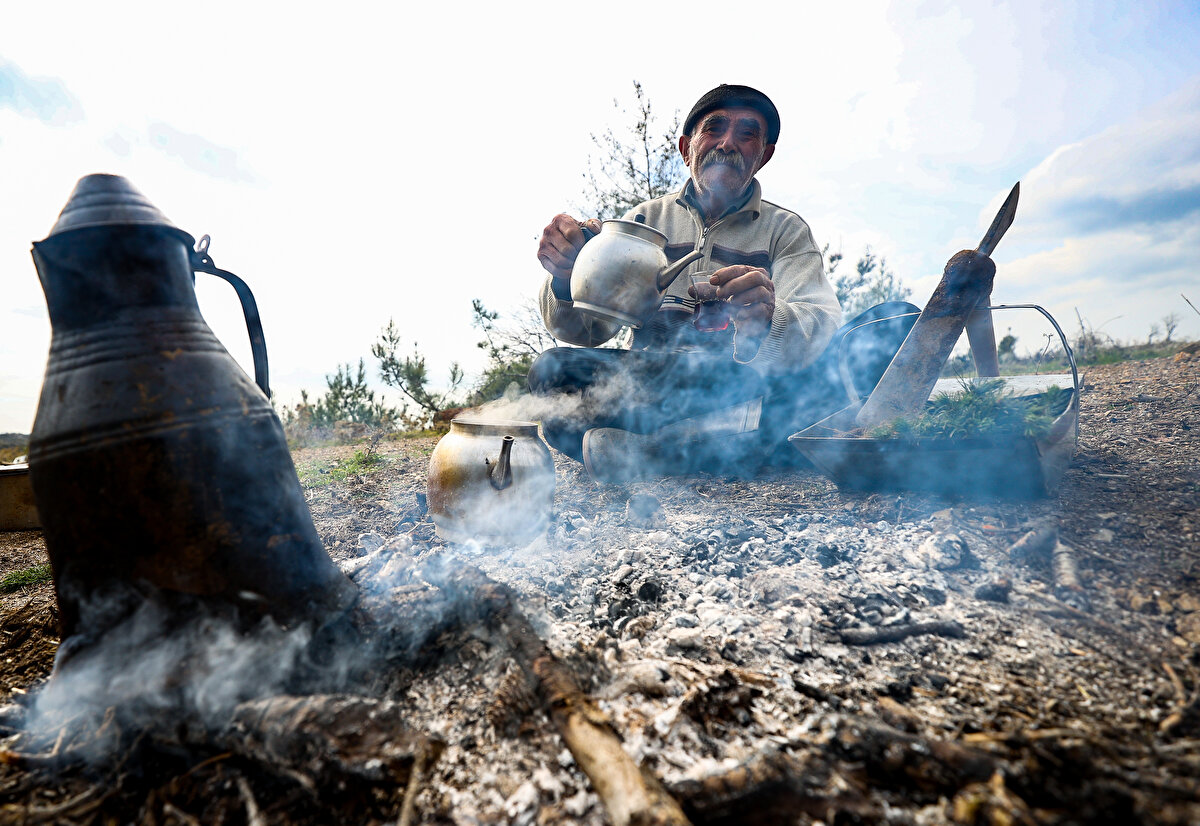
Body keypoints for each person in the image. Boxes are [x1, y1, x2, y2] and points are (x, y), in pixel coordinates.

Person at [530, 84, 918, 482]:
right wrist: (566, 275)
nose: (729, 143)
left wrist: (770, 320)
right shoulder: (645, 221)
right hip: (659, 385)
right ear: (686, 148)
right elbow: (588, 330)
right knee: (552, 371)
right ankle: (741, 448)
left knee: (894, 322)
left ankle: (658, 452)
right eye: (714, 129)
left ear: (763, 155)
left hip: (751, 382)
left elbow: (820, 323)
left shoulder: (785, 230)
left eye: (748, 133)